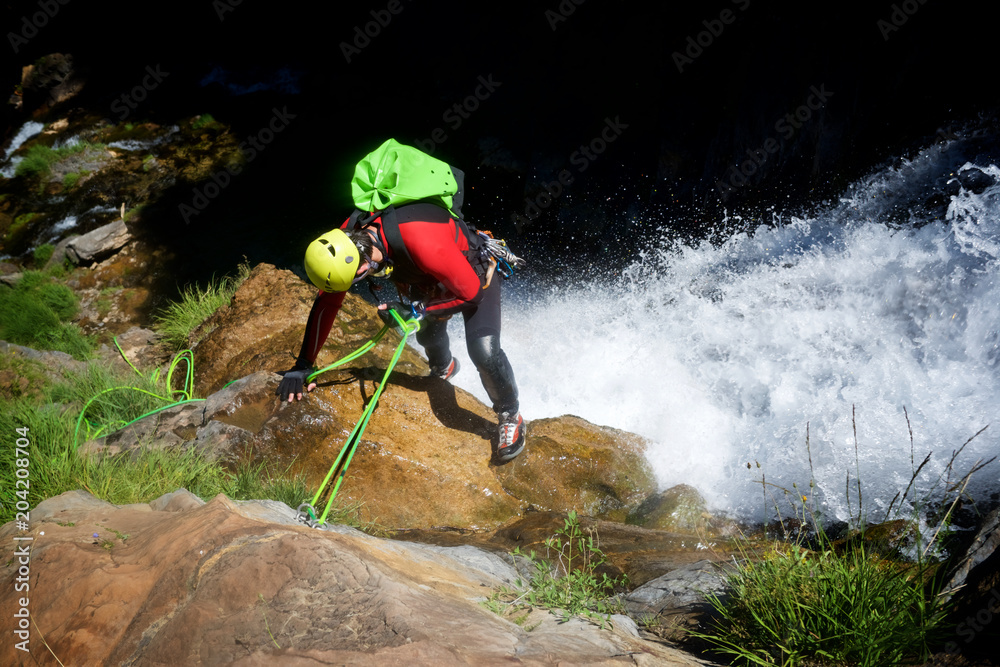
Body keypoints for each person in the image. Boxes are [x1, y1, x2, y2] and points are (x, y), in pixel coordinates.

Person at [276, 201, 526, 463]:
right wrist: (303, 364)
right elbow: (327, 302)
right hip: (427, 276)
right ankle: (444, 368)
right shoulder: (344, 241)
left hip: (474, 272)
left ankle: (510, 415)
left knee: (483, 351)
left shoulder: (420, 241)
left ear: (362, 267)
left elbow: (471, 293)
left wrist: (416, 309)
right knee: (427, 336)